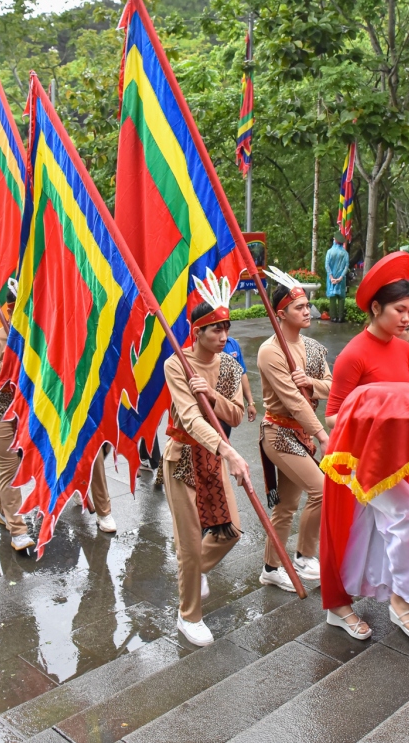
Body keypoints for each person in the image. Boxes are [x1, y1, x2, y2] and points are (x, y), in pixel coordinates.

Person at [319, 251, 409, 643]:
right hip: (359, 460)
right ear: (376, 308)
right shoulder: (354, 355)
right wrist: (371, 417)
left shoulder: (406, 352)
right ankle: (401, 601)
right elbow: (331, 416)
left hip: (393, 460)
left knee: (371, 531)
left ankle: (383, 598)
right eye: (401, 311)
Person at [162, 275, 250, 647]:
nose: (223, 336)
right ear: (197, 332)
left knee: (231, 531)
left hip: (213, 457)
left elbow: (236, 415)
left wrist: (212, 394)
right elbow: (190, 418)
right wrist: (228, 450)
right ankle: (189, 616)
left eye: (226, 328)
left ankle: (195, 570)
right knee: (188, 544)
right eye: (215, 329)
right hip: (183, 458)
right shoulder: (177, 365)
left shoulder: (228, 367)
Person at [256, 267, 332, 592]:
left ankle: (271, 568)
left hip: (300, 435)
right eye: (300, 307)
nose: (308, 311)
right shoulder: (270, 352)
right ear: (281, 313)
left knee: (285, 507)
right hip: (279, 433)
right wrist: (323, 434)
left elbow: (331, 386)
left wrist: (310, 382)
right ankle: (304, 555)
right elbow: (294, 403)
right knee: (323, 489)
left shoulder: (312, 347)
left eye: (307, 305)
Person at [0, 278, 36, 552]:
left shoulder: (37, 339)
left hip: (28, 412)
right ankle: (18, 530)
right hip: (1, 412)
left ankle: (4, 512)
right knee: (10, 472)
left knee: (18, 469)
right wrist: (6, 363)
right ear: (9, 310)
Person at [221, 335, 257, 436]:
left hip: (228, 407)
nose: (223, 337)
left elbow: (241, 373)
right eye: (217, 330)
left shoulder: (232, 343)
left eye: (226, 328)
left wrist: (250, 403)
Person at [325, 233, 350, 323]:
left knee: (332, 297)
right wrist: (341, 277)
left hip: (331, 278)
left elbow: (327, 265)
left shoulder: (329, 252)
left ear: (335, 240)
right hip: (341, 279)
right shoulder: (345, 253)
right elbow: (346, 266)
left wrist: (331, 277)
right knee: (341, 298)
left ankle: (333, 317)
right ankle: (340, 317)